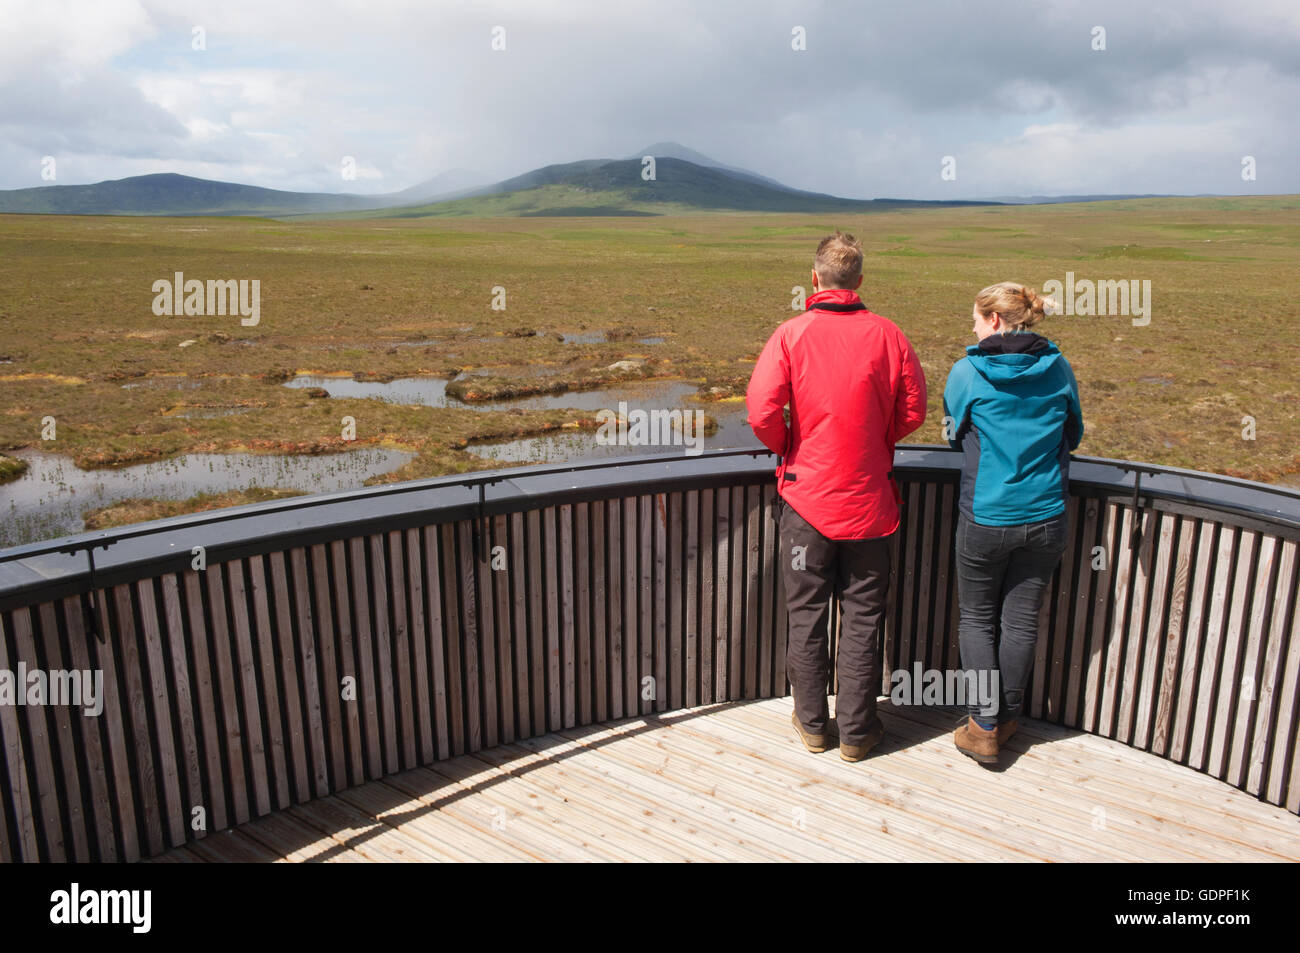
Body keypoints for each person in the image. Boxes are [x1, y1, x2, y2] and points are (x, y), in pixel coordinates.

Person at [747, 231, 927, 762]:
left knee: (806, 616)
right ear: (860, 281)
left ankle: (812, 727)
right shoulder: (889, 336)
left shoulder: (791, 334)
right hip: (871, 503)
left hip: (806, 503)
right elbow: (913, 410)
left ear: (815, 279)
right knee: (864, 617)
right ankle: (857, 732)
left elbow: (760, 412)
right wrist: (877, 441)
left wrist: (791, 449)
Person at [942, 282, 1083, 763]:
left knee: (978, 619)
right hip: (1046, 515)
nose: (974, 328)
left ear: (996, 321)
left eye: (977, 320)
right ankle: (1007, 718)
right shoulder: (1059, 367)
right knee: (1021, 620)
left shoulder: (968, 372)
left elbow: (952, 433)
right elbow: (1074, 432)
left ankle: (982, 725)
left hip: (985, 516)